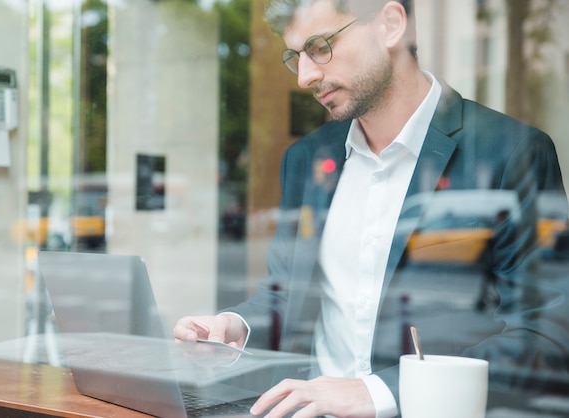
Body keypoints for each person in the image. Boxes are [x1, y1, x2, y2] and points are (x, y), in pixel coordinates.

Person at [174, 0, 569, 416]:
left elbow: (545, 331)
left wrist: (382, 391)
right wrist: (236, 325)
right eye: (296, 58)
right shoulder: (306, 159)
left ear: (391, 25)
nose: (306, 76)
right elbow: (289, 291)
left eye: (320, 47)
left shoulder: (511, 153)